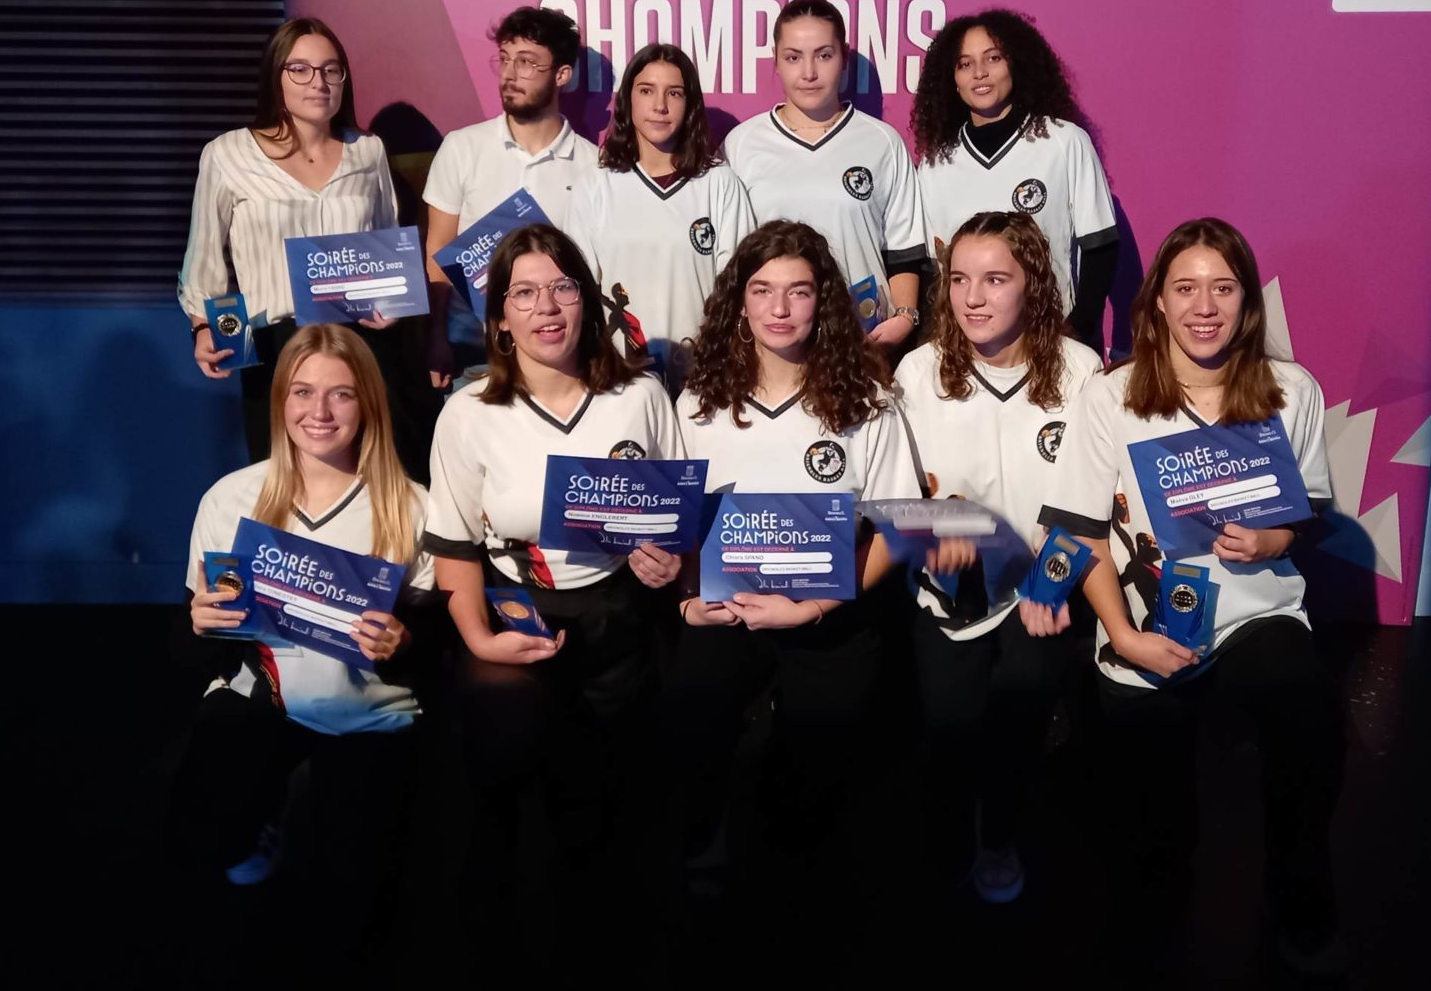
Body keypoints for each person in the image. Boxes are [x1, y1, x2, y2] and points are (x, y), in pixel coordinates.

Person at [1038, 218, 1345, 974]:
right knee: (1153, 824)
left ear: (1247, 302)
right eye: (1185, 288)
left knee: (1310, 721)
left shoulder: (1291, 390)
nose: (1204, 307)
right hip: (1143, 625)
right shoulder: (1111, 396)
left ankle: (1298, 886)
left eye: (1223, 288)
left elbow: (1309, 507)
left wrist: (1275, 539)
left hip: (1255, 613)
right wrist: (1122, 635)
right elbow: (1078, 532)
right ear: (1158, 303)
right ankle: (1154, 912)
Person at [421, 223, 683, 918]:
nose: (547, 307)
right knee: (501, 766)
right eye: (524, 293)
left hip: (619, 613)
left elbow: (674, 523)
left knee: (601, 808)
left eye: (563, 287)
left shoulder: (641, 396)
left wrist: (669, 563)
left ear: (587, 300)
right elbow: (452, 545)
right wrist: (479, 639)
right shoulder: (468, 414)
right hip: (515, 610)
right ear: (500, 320)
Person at [666, 219, 919, 896]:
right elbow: (681, 528)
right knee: (696, 724)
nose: (779, 309)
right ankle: (709, 846)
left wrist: (816, 606)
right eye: (762, 290)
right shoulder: (698, 404)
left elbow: (899, 528)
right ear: (738, 302)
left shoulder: (869, 403)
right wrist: (688, 601)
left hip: (829, 615)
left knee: (819, 780)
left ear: (824, 302)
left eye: (799, 291)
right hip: (726, 614)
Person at [171, 324, 436, 961]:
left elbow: (441, 650)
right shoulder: (231, 497)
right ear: (280, 401)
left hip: (371, 713)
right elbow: (189, 647)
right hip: (262, 700)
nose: (319, 411)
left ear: (368, 402)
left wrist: (406, 640)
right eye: (302, 391)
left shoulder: (412, 507)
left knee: (358, 903)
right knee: (202, 847)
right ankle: (263, 819)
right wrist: (199, 625)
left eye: (341, 394)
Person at [893, 211, 1101, 902]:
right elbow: (902, 496)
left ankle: (1001, 835)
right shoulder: (919, 371)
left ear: (1033, 284)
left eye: (995, 279)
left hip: (1044, 582)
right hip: (952, 589)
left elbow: (1094, 499)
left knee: (1020, 713)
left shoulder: (1079, 369)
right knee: (947, 730)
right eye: (958, 280)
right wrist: (934, 533)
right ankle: (950, 835)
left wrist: (1053, 582)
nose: (972, 298)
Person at [179, 17, 400, 462]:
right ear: (275, 76)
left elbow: (386, 245)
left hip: (354, 345)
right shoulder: (228, 154)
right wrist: (204, 327)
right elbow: (204, 260)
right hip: (272, 345)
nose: (318, 82)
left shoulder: (368, 150)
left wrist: (391, 301)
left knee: (360, 474)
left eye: (331, 69)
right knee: (279, 476)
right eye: (300, 69)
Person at [722, 0, 927, 351]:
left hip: (861, 338)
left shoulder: (881, 142)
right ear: (775, 61)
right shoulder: (741, 144)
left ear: (843, 58)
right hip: (775, 338)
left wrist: (905, 317)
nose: (809, 73)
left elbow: (904, 249)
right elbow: (731, 258)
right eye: (793, 57)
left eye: (824, 55)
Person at [911, 9, 1119, 355]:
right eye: (964, 64)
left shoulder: (1064, 142)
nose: (979, 73)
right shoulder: (936, 163)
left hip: (1048, 342)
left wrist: (1077, 331)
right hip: (968, 348)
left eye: (993, 58)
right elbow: (935, 269)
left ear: (1016, 64)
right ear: (952, 79)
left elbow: (1101, 247)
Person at [422, 6, 600, 390]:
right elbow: (438, 248)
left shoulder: (594, 167)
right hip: (471, 341)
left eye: (527, 62)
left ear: (562, 74)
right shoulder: (462, 147)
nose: (509, 74)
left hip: (556, 344)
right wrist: (436, 335)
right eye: (504, 59)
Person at [568, 43, 755, 394]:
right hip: (620, 381)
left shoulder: (718, 182)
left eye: (674, 93)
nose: (660, 105)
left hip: (703, 379)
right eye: (646, 90)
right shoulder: (594, 185)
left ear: (690, 104)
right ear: (628, 100)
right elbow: (580, 291)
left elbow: (738, 288)